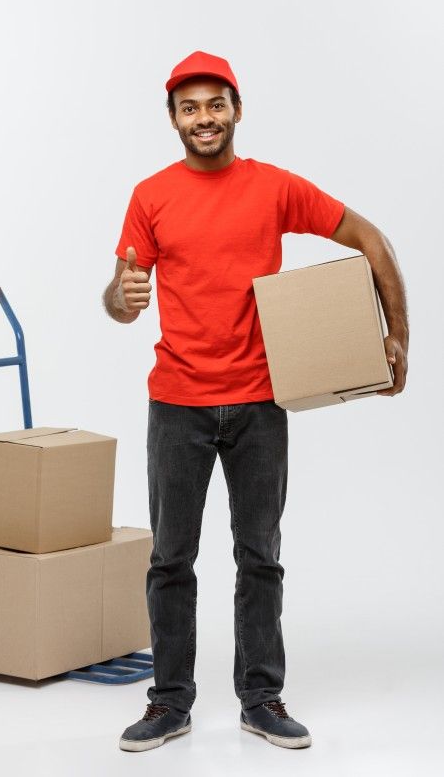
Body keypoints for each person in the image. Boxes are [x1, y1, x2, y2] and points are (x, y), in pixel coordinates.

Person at [102, 50, 409, 752]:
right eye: (189, 107)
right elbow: (120, 292)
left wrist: (397, 337)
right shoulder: (150, 195)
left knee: (259, 554)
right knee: (171, 558)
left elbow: (372, 239)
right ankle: (170, 702)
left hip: (259, 403)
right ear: (173, 118)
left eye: (215, 104)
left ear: (237, 108)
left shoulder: (273, 189)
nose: (203, 118)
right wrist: (120, 298)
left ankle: (261, 697)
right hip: (178, 402)